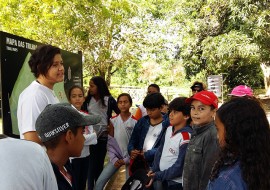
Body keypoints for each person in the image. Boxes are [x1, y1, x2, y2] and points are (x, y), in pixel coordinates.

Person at [207, 98, 270, 190]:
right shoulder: (261, 161)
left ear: (232, 132)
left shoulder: (226, 179)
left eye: (218, 129)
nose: (217, 136)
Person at [35, 103, 101, 190]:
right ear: (69, 136)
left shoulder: (64, 165)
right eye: (82, 132)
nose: (84, 139)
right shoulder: (48, 182)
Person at [17, 44, 64, 144]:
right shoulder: (34, 95)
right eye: (55, 65)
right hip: (41, 158)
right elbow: (31, 138)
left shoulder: (46, 91)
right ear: (40, 67)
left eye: (61, 63)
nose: (61, 68)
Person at [82, 76, 120, 190]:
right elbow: (82, 114)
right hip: (91, 137)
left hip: (103, 138)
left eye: (92, 86)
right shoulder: (87, 100)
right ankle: (91, 187)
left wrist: (112, 125)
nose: (90, 88)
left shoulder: (109, 99)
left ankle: (98, 187)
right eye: (90, 85)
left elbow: (119, 113)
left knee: (99, 165)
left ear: (100, 86)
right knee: (91, 165)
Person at [146, 97, 193, 190]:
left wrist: (158, 175)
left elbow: (179, 167)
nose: (170, 115)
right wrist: (154, 170)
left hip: (175, 183)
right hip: (163, 178)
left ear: (186, 116)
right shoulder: (168, 129)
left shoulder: (186, 137)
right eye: (170, 111)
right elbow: (160, 150)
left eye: (175, 112)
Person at [95, 93, 137, 190]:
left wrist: (127, 159)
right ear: (117, 104)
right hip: (116, 157)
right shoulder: (113, 120)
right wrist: (114, 158)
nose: (123, 104)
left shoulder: (135, 122)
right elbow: (110, 142)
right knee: (100, 182)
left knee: (130, 186)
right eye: (120, 102)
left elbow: (136, 144)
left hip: (130, 158)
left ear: (130, 104)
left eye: (125, 102)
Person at [183, 90, 219, 190]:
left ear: (213, 112)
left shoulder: (212, 135)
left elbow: (208, 174)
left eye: (201, 109)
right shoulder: (196, 130)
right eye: (192, 108)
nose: (195, 113)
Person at [128, 92, 170, 170]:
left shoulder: (168, 124)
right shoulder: (142, 121)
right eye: (147, 109)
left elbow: (166, 147)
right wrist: (131, 150)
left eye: (152, 110)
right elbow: (132, 140)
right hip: (141, 164)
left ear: (161, 108)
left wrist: (148, 154)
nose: (149, 112)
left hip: (157, 166)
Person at [68, 85, 98, 190]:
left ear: (84, 98)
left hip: (86, 155)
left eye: (80, 96)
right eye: (74, 96)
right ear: (69, 99)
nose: (77, 99)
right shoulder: (68, 116)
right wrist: (92, 136)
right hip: (73, 158)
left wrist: (90, 137)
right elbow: (74, 139)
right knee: (74, 186)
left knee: (82, 185)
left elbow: (92, 140)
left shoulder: (86, 115)